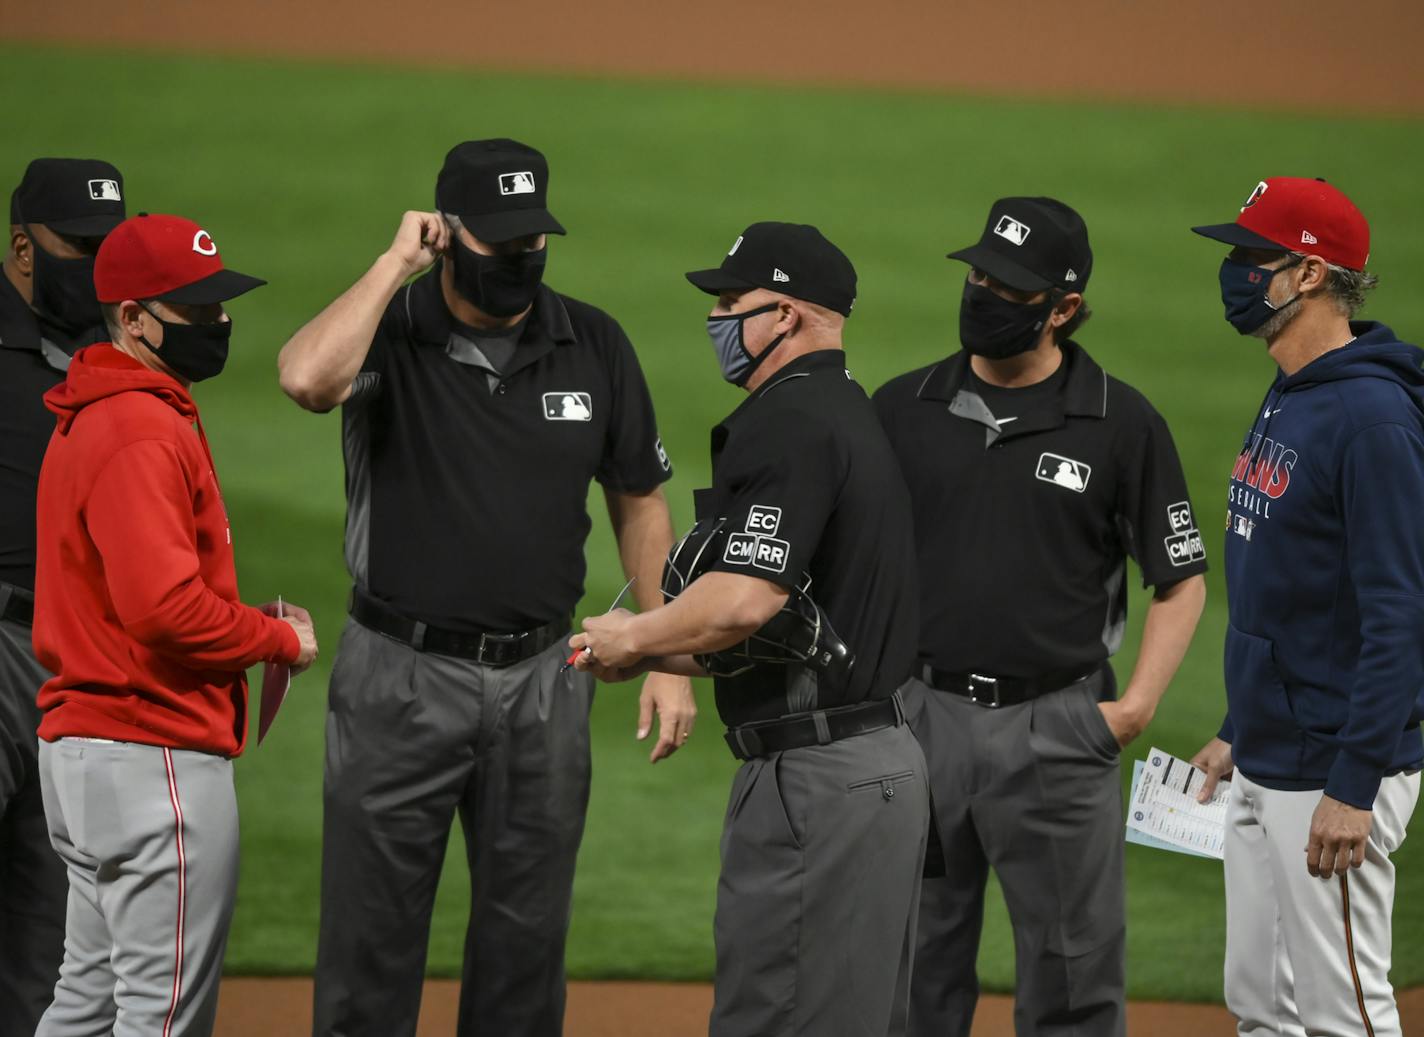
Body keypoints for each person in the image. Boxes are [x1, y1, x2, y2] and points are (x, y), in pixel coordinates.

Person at [277, 138, 692, 1037]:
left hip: (546, 681)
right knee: (370, 948)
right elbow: (307, 379)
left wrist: (663, 648)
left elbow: (640, 498)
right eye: (498, 241)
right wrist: (394, 265)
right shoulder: (391, 331)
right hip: (398, 677)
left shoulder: (595, 343)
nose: (520, 258)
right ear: (447, 231)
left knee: (526, 946)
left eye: (532, 240)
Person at [570, 221, 930, 1037]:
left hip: (820, 775)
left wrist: (639, 634)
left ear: (790, 315)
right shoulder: (844, 410)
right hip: (868, 760)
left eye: (735, 302)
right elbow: (804, 626)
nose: (719, 319)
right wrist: (663, 648)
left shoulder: (793, 420)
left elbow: (746, 600)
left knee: (774, 1020)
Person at [872, 197, 1207, 1037]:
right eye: (979, 273)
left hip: (1056, 727)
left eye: (1009, 285)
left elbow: (1181, 579)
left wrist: (1133, 708)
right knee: (912, 966)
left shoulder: (1121, 422)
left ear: (1063, 308)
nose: (982, 292)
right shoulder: (899, 408)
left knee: (1072, 977)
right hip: (920, 722)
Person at [30, 212, 318, 1036]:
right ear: (132, 318)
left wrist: (240, 616)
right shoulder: (140, 428)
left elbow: (123, 595)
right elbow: (162, 611)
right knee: (161, 1019)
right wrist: (275, 641)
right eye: (195, 310)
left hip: (89, 751)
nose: (219, 321)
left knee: (82, 1004)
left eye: (218, 302)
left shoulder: (97, 411)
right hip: (150, 758)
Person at [1189, 177, 1423, 1037]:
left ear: (1312, 273)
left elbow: (1401, 612)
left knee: (1344, 1016)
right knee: (1262, 1005)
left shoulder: (1371, 420)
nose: (1235, 271)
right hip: (1271, 747)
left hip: (1334, 765)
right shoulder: (1292, 388)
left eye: (1253, 256)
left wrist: (1355, 782)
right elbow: (1292, 589)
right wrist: (1239, 722)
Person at [0, 156, 126, 1033]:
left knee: (55, 940)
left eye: (108, 246)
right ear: (20, 248)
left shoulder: (115, 354)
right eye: (78, 247)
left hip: (78, 665)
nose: (96, 266)